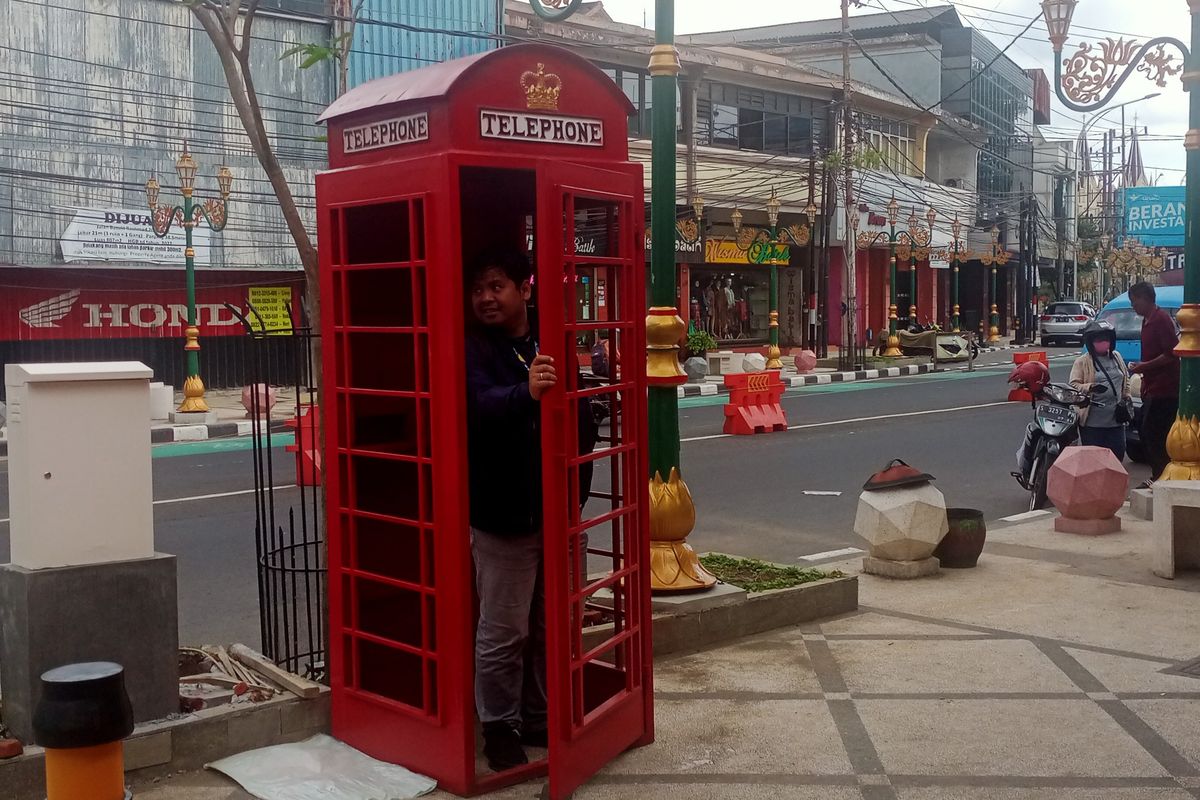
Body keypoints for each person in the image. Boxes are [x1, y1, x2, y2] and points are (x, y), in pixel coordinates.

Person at [464, 250, 597, 771]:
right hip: (503, 514)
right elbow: (476, 405)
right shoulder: (474, 348)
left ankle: (540, 715)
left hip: (560, 511)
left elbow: (581, 415)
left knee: (554, 624)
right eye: (478, 289)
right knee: (504, 629)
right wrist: (527, 393)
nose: (485, 298)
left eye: (496, 285)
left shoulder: (554, 335)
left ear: (525, 289)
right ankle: (498, 725)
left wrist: (578, 491)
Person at [1127, 281, 1180, 482]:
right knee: (1145, 431)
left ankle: (1161, 476)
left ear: (1145, 299)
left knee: (1155, 434)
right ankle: (1157, 474)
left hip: (1165, 389)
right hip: (1150, 387)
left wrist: (1145, 366)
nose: (1133, 306)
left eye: (1135, 301)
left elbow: (1172, 354)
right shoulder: (1146, 320)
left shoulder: (1161, 320)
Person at [1069, 319, 1131, 461]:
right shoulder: (1082, 362)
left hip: (1116, 421)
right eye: (1098, 339)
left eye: (1106, 338)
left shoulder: (1117, 357)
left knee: (1117, 457)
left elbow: (1125, 378)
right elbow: (1073, 386)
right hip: (1092, 424)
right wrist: (1089, 387)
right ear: (1090, 342)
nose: (1103, 342)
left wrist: (1126, 397)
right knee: (1094, 462)